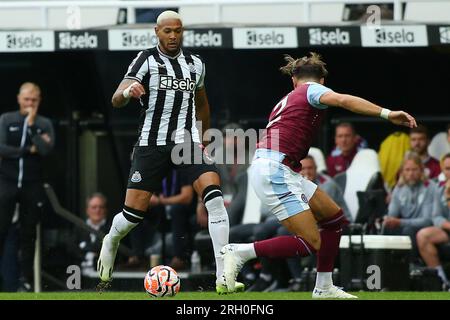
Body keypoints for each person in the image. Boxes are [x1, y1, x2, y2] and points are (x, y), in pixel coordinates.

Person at [220, 52, 417, 298]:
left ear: (293, 79)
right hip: (275, 170)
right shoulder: (312, 90)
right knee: (309, 242)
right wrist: (387, 113)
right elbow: (344, 100)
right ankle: (240, 252)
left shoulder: (289, 97)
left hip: (280, 168)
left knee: (334, 219)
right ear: (322, 80)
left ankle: (324, 287)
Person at [97, 11, 243, 294]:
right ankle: (112, 240)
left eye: (178, 31)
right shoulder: (145, 60)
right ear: (157, 31)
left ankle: (223, 275)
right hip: (151, 144)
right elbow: (115, 99)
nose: (173, 36)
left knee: (214, 196)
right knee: (132, 216)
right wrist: (128, 93)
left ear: (183, 31)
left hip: (186, 143)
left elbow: (202, 104)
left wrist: (203, 139)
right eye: (167, 31)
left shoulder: (196, 64)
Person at [0, 82, 55, 291]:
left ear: (39, 100)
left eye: (34, 100)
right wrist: (27, 149)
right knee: (1, 229)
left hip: (32, 184)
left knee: (28, 233)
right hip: (7, 182)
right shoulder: (7, 119)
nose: (30, 104)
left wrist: (31, 126)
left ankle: (26, 279)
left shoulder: (44, 123)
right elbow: (1, 148)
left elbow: (46, 150)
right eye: (26, 100)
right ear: (19, 99)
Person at [382, 152, 435, 259]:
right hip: (405, 226)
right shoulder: (399, 188)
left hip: (423, 228)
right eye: (407, 170)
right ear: (402, 172)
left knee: (408, 230)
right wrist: (388, 220)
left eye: (414, 169)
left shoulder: (429, 186)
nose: (411, 173)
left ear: (421, 170)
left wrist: (400, 222)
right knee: (387, 228)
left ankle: (412, 264)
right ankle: (386, 264)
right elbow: (392, 214)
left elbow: (427, 220)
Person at [416, 153, 450, 287]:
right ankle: (442, 281)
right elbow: (436, 216)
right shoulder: (440, 189)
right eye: (447, 169)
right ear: (443, 170)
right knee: (423, 235)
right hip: (447, 229)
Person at [77, 193, 111, 272]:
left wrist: (85, 248)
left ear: (105, 210)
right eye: (94, 207)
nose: (97, 210)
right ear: (87, 210)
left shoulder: (112, 229)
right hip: (79, 275)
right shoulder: (79, 228)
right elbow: (72, 250)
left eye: (101, 207)